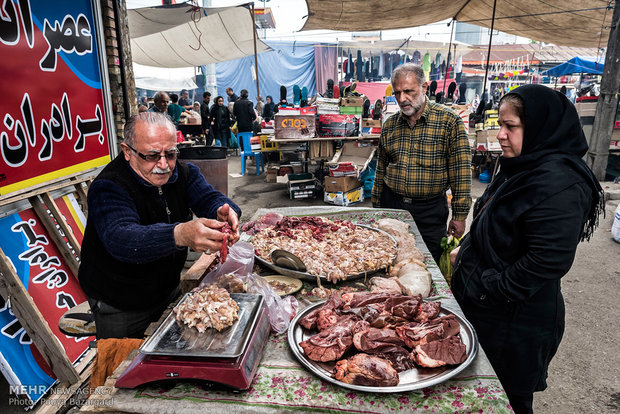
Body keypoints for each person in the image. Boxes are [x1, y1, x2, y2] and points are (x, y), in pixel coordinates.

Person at [450, 84, 603, 413]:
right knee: (477, 389)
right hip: (489, 309)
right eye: (500, 125)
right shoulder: (520, 166)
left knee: (508, 399)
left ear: (538, 128)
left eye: (511, 127)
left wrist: (486, 286)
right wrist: (466, 253)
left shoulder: (560, 185)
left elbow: (545, 262)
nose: (501, 135)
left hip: (516, 323)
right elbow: (492, 222)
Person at [78, 112, 241, 339]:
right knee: (121, 362)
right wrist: (180, 234)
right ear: (128, 152)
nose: (164, 165)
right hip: (119, 301)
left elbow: (208, 198)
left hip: (167, 287)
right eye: (152, 156)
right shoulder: (109, 186)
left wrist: (223, 210)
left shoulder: (184, 173)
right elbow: (121, 238)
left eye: (171, 154)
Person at [371, 63, 471, 263]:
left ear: (424, 88)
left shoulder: (449, 122)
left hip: (430, 211)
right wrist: (376, 207)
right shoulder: (390, 125)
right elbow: (380, 170)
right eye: (397, 92)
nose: (402, 98)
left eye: (408, 91)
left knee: (428, 263)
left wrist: (459, 215)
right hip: (393, 206)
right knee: (390, 260)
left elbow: (460, 173)